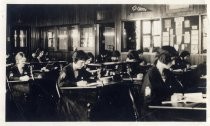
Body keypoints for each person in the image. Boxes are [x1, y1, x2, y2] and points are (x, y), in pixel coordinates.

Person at [140, 50, 183, 115]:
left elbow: (178, 88)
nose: (174, 63)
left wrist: (179, 94)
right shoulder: (151, 74)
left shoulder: (168, 73)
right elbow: (149, 99)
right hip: (152, 112)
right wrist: (170, 98)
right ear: (164, 60)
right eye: (172, 60)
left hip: (166, 108)